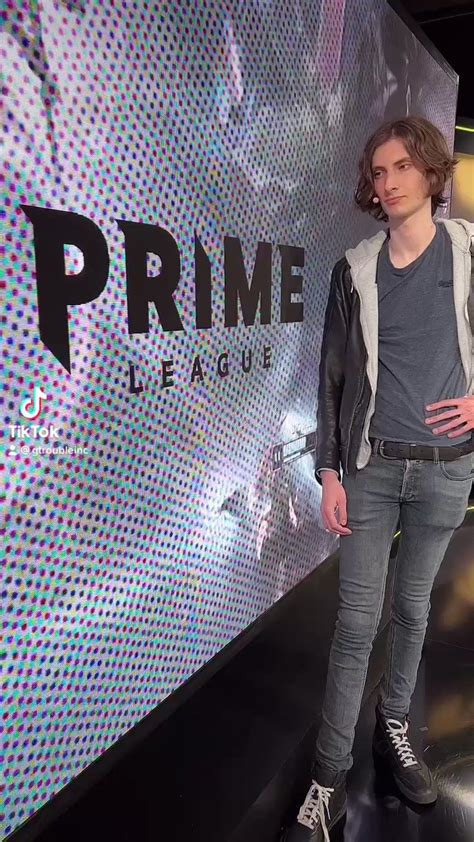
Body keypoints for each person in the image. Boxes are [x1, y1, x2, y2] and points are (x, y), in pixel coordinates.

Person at [283, 115, 474, 842]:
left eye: (401, 167)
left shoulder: (468, 253)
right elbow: (332, 376)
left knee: (415, 611)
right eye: (378, 171)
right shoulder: (354, 269)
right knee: (357, 624)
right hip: (371, 470)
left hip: (447, 472)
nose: (388, 182)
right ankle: (327, 780)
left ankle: (394, 728)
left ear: (431, 171)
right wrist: (329, 469)